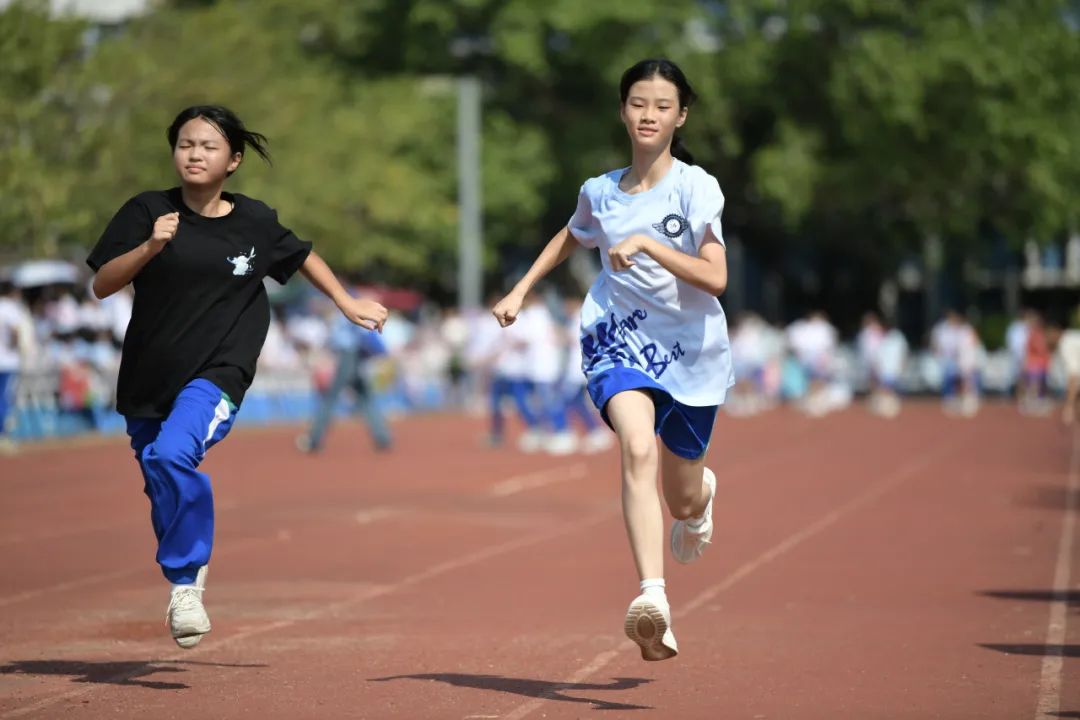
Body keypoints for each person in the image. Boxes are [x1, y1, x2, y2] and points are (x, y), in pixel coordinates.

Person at [86, 105, 388, 649]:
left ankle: (184, 582)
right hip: (148, 376)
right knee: (160, 480)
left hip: (220, 371)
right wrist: (151, 245)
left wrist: (345, 301)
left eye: (207, 146)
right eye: (185, 144)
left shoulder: (254, 221)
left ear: (234, 160)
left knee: (172, 455)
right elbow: (102, 285)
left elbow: (302, 256)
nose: (194, 154)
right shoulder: (146, 211)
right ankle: (186, 577)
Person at [493, 59, 731, 661]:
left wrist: (650, 243)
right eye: (637, 103)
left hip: (692, 355)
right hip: (617, 340)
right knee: (636, 444)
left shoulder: (695, 187)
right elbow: (572, 233)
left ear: (681, 115)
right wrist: (521, 290)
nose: (648, 114)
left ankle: (700, 497)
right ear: (623, 110)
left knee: (680, 497)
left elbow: (716, 277)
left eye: (661, 105)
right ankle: (653, 597)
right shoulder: (599, 192)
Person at [296, 287, 393, 453]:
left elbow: (341, 337)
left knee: (334, 398)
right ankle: (382, 437)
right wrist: (382, 352)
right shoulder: (354, 309)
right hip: (350, 356)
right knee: (363, 398)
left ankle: (313, 439)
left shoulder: (345, 310)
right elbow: (367, 336)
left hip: (347, 356)